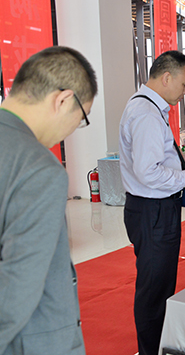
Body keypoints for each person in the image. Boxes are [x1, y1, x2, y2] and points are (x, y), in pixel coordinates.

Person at [0, 46, 97, 354]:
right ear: (63, 100)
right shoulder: (38, 168)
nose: (72, 130)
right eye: (81, 119)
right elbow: (17, 288)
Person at [119, 50, 185, 355]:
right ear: (167, 77)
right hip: (153, 211)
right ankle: (151, 349)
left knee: (160, 284)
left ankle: (156, 346)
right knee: (154, 290)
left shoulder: (147, 107)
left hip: (152, 210)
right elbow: (148, 172)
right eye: (184, 84)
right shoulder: (146, 113)